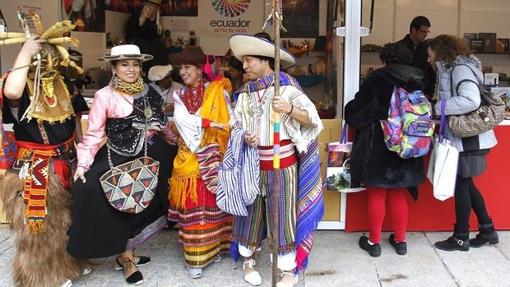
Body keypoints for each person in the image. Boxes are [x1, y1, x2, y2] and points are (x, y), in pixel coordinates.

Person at [66, 44, 177, 285]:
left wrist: (172, 140)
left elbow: (163, 124)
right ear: (114, 68)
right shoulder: (104, 96)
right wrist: (83, 164)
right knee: (94, 190)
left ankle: (129, 252)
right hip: (118, 154)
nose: (131, 69)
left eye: (135, 64)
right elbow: (94, 134)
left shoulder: (151, 93)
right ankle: (124, 257)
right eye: (125, 64)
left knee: (147, 201)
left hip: (151, 154)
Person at [228, 34, 324, 287]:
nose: (244, 66)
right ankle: (248, 259)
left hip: (282, 163)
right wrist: (242, 135)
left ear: (265, 60)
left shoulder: (287, 88)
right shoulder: (245, 93)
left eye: (248, 60)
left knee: (281, 213)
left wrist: (289, 109)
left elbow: (314, 120)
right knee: (250, 211)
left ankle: (287, 268)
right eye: (244, 62)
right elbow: (235, 124)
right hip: (252, 163)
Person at [0, 37, 89, 287]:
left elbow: (74, 119)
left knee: (67, 221)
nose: (47, 60)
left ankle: (68, 266)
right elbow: (11, 91)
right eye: (41, 55)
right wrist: (26, 50)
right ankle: (43, 278)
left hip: (67, 160)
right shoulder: (20, 86)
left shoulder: (64, 84)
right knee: (39, 228)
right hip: (36, 166)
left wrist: (81, 150)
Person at [345, 43, 426, 257]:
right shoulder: (417, 79)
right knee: (399, 192)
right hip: (408, 144)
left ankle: (374, 242)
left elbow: (359, 113)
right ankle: (400, 241)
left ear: (385, 59)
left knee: (377, 194)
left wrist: (349, 110)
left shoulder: (376, 79)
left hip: (378, 144)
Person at [427, 34, 499, 251]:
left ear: (440, 52)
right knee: (466, 184)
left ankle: (461, 237)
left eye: (430, 55)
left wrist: (438, 107)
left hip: (469, 138)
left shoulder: (459, 70)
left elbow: (471, 100)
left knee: (461, 186)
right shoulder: (454, 69)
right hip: (468, 139)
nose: (428, 59)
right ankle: (487, 230)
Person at [167, 46, 233, 279]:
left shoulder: (217, 91)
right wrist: (206, 124)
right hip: (188, 158)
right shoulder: (179, 95)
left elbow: (228, 121)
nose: (183, 72)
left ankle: (216, 248)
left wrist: (211, 126)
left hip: (214, 156)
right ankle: (195, 257)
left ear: (199, 69)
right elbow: (183, 123)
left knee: (215, 204)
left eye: (188, 67)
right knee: (194, 207)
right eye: (181, 68)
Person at [396, 16, 436, 99]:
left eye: (427, 32)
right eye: (423, 32)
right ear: (413, 30)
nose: (425, 35)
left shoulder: (427, 49)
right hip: (403, 95)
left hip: (424, 94)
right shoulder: (398, 48)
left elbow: (431, 73)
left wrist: (429, 93)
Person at [125, 0, 167, 72]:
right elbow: (134, 33)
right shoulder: (135, 19)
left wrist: (158, 27)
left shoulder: (153, 22)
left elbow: (156, 36)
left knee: (161, 48)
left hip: (151, 45)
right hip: (139, 44)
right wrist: (142, 23)